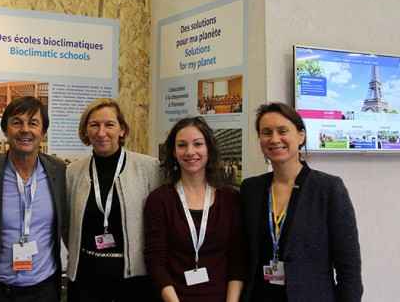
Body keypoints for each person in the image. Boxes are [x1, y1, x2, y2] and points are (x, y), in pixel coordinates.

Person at [239, 102, 363, 302]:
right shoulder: (250, 189)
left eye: (282, 131)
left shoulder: (328, 188)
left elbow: (348, 265)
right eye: (266, 132)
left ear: (301, 136)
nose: (274, 139)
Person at [0, 96, 68, 302]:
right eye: (17, 122)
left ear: (43, 132)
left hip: (44, 290)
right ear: (5, 130)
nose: (25, 129)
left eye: (33, 123)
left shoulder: (58, 170)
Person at [66, 98, 163, 301]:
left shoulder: (148, 168)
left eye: (109, 124)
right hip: (86, 278)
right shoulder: (73, 172)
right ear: (85, 131)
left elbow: (160, 224)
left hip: (134, 281)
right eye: (94, 125)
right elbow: (67, 224)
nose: (101, 132)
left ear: (122, 129)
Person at [144, 116, 247, 302]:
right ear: (174, 152)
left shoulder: (230, 198)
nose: (190, 152)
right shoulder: (159, 200)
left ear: (209, 149)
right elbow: (155, 261)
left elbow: (237, 258)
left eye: (198, 144)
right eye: (182, 145)